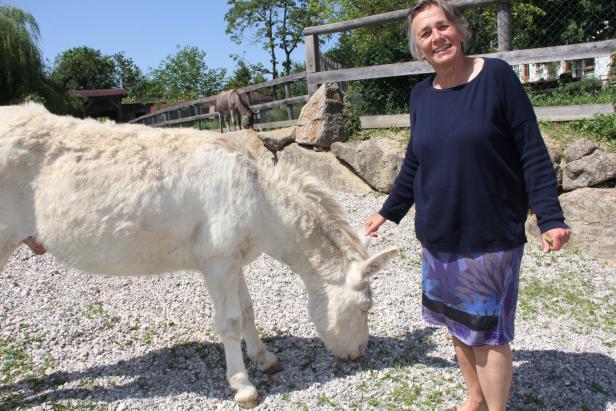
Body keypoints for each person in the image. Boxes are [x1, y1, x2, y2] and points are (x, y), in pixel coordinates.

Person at [364, 1, 571, 410]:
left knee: (488, 334)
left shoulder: (496, 77)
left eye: (442, 27)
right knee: (456, 324)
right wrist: (388, 210)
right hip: (439, 234)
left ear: (458, 31)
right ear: (419, 49)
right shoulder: (421, 96)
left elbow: (530, 147)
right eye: (425, 33)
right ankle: (474, 398)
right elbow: (415, 161)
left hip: (490, 234)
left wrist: (550, 216)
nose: (436, 37)